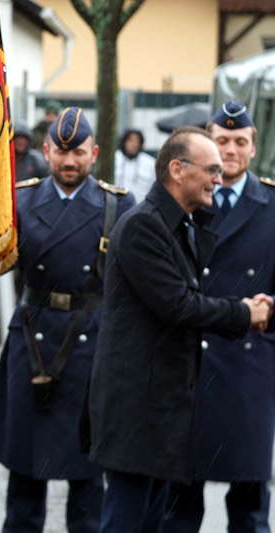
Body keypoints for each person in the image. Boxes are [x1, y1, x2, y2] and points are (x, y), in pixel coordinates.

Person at [87, 126, 274, 533]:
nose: (218, 178)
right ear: (177, 169)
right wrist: (245, 314)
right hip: (138, 413)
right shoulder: (143, 226)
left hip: (162, 413)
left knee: (153, 522)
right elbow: (179, 305)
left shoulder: (179, 224)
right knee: (126, 522)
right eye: (210, 169)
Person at [0, 107, 136, 533]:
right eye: (61, 152)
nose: (69, 162)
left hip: (92, 344)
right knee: (25, 472)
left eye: (79, 153)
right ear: (45, 151)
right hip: (31, 340)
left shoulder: (117, 205)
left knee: (88, 475)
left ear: (95, 153)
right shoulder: (19, 201)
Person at [161, 102, 275, 533]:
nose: (230, 150)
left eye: (239, 142)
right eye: (221, 141)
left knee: (250, 506)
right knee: (179, 505)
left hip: (248, 368)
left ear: (253, 147)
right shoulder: (183, 202)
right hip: (189, 363)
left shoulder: (271, 204)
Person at [114, 129, 156, 201]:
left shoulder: (150, 163)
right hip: (116, 206)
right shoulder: (114, 159)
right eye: (130, 141)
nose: (134, 144)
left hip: (140, 206)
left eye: (137, 141)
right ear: (124, 142)